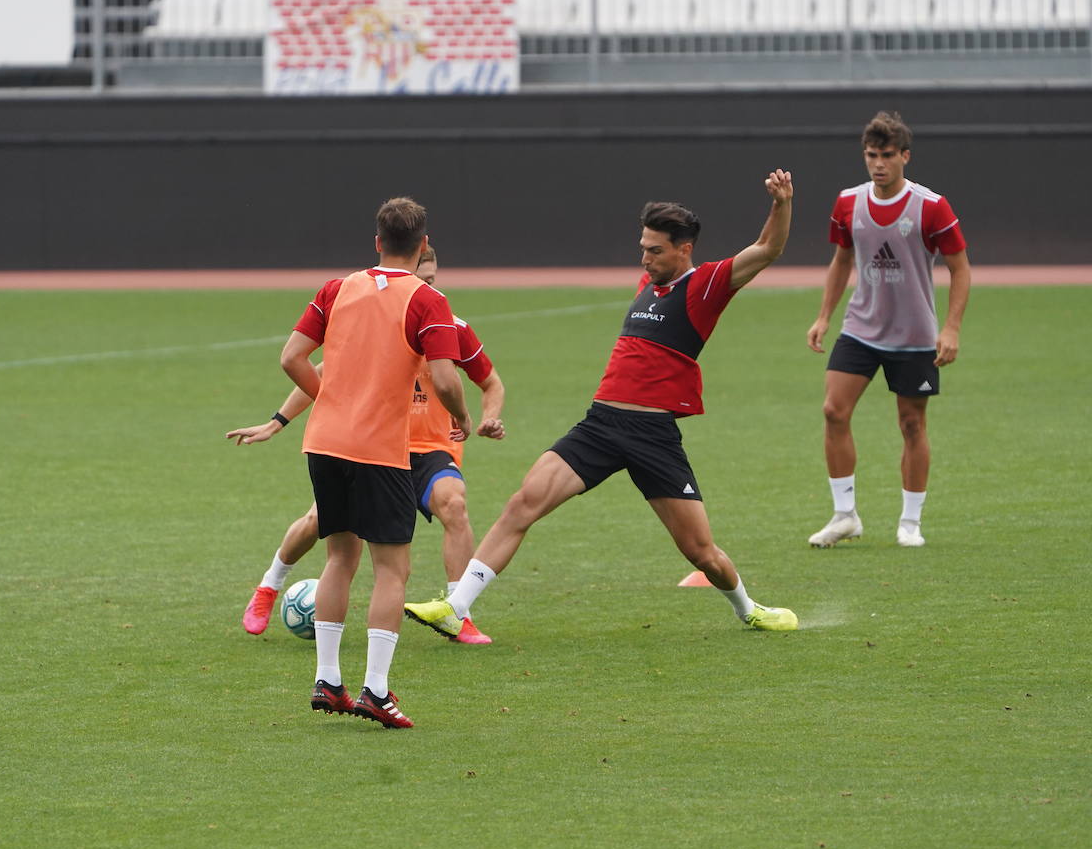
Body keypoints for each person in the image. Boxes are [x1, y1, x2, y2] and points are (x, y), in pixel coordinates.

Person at [404, 170, 800, 641]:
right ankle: (457, 606)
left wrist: (781, 203)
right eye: (642, 248)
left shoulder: (707, 285)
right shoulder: (648, 284)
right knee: (522, 504)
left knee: (700, 551)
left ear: (684, 249)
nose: (645, 258)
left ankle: (748, 609)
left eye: (655, 250)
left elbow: (768, 250)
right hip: (600, 425)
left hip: (653, 437)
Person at [228, 246, 506, 646]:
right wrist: (277, 422)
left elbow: (491, 382)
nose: (423, 286)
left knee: (455, 505)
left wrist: (489, 417)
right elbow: (324, 374)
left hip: (428, 449)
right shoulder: (379, 315)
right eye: (420, 278)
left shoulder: (448, 324)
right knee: (318, 524)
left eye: (430, 281)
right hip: (374, 443)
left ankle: (457, 611)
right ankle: (269, 586)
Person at [267, 197, 471, 729]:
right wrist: (462, 417)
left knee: (339, 559)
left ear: (376, 241)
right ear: (422, 244)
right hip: (382, 450)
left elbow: (291, 357)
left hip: (324, 443)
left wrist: (330, 398)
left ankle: (328, 679)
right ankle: (375, 691)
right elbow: (447, 378)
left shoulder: (336, 289)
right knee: (392, 569)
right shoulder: (428, 300)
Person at [805, 111, 972, 549]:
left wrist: (951, 328)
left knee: (912, 424)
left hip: (914, 336)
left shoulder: (932, 206)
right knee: (832, 412)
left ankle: (910, 522)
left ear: (905, 157)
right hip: (860, 328)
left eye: (886, 156)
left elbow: (960, 269)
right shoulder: (848, 203)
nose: (878, 164)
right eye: (871, 155)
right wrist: (824, 315)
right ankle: (845, 516)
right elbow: (842, 260)